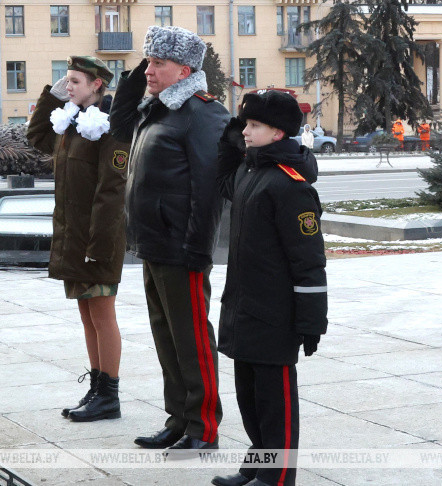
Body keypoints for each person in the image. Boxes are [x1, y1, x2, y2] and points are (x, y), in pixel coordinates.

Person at [109, 25, 230, 451]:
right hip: (154, 242)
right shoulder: (156, 109)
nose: (150, 71)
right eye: (149, 62)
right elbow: (118, 123)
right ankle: (178, 419)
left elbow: (209, 188)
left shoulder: (202, 113)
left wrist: (199, 249)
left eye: (158, 63)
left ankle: (204, 428)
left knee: (192, 339)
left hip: (183, 249)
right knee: (167, 337)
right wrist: (141, 70)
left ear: (185, 70)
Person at [211, 90, 328, 486]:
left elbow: (309, 261)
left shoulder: (291, 186)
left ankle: (278, 476)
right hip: (244, 308)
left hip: (276, 315)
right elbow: (222, 174)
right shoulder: (249, 172)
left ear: (279, 133)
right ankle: (259, 463)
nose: (246, 131)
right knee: (249, 398)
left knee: (275, 403)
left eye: (254, 125)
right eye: (245, 124)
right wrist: (234, 126)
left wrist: (311, 322)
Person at [26, 55, 129, 423]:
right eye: (65, 80)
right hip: (74, 238)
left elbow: (111, 191)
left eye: (74, 81)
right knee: (87, 315)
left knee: (102, 314)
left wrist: (97, 246)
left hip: (96, 240)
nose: (67, 86)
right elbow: (36, 137)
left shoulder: (109, 128)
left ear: (97, 85)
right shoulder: (71, 124)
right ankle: (98, 388)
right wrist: (55, 96)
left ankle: (110, 394)